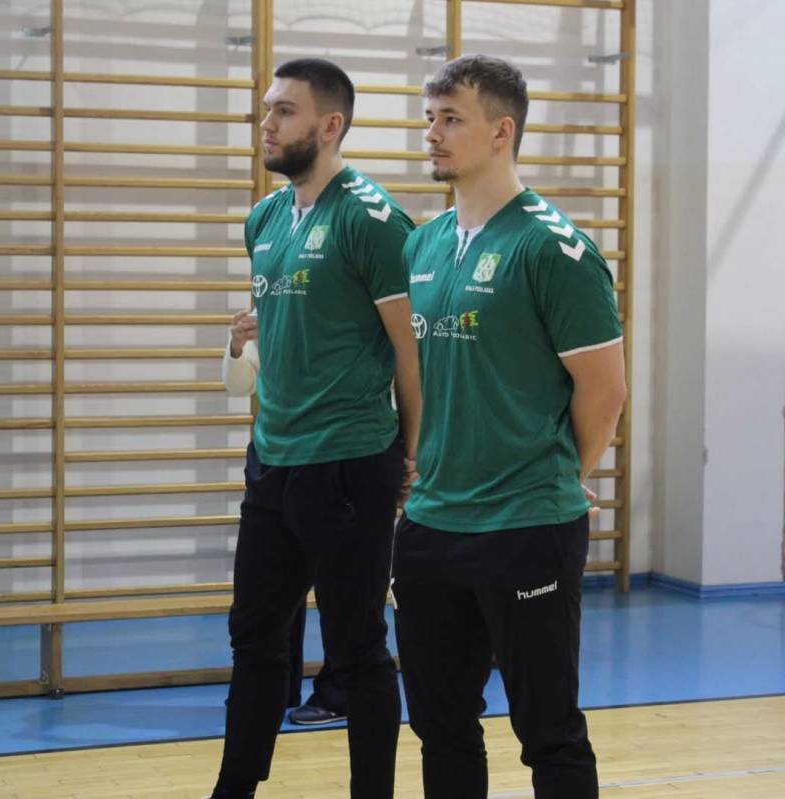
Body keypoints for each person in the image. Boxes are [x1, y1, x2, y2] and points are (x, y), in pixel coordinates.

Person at [392, 54, 627, 799]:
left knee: (549, 733)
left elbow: (605, 393)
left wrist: (556, 476)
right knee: (440, 727)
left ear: (502, 132)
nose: (432, 134)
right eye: (429, 118)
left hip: (526, 526)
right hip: (431, 526)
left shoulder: (554, 249)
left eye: (450, 119)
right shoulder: (424, 243)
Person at [209, 58, 420, 799]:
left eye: (284, 111)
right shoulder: (265, 219)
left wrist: (414, 456)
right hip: (273, 460)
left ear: (329, 125)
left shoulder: (374, 221)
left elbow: (410, 352)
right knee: (253, 638)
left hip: (351, 464)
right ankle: (235, 787)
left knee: (357, 649)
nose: (266, 123)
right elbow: (291, 334)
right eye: (267, 108)